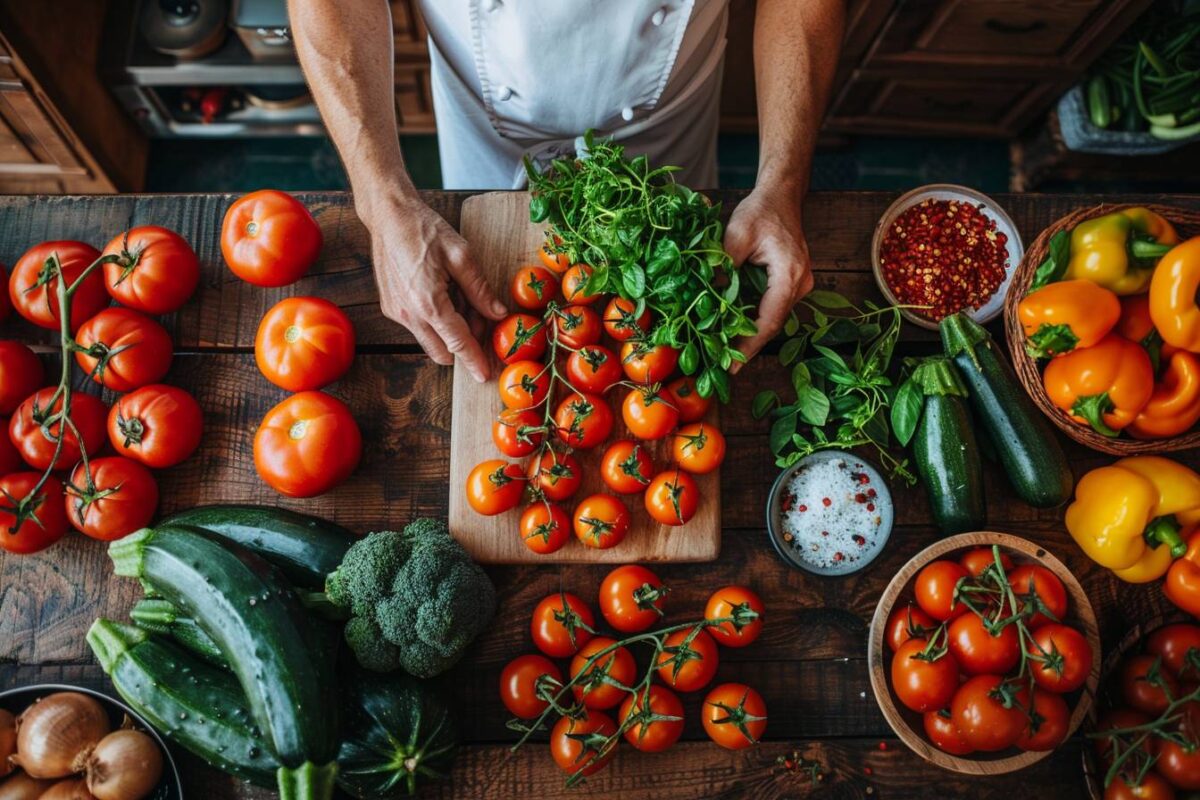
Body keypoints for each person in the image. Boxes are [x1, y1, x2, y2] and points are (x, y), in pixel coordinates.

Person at [289, 0, 844, 382]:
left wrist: (782, 183)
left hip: (669, 118)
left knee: (677, 289)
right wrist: (381, 200)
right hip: (482, 108)